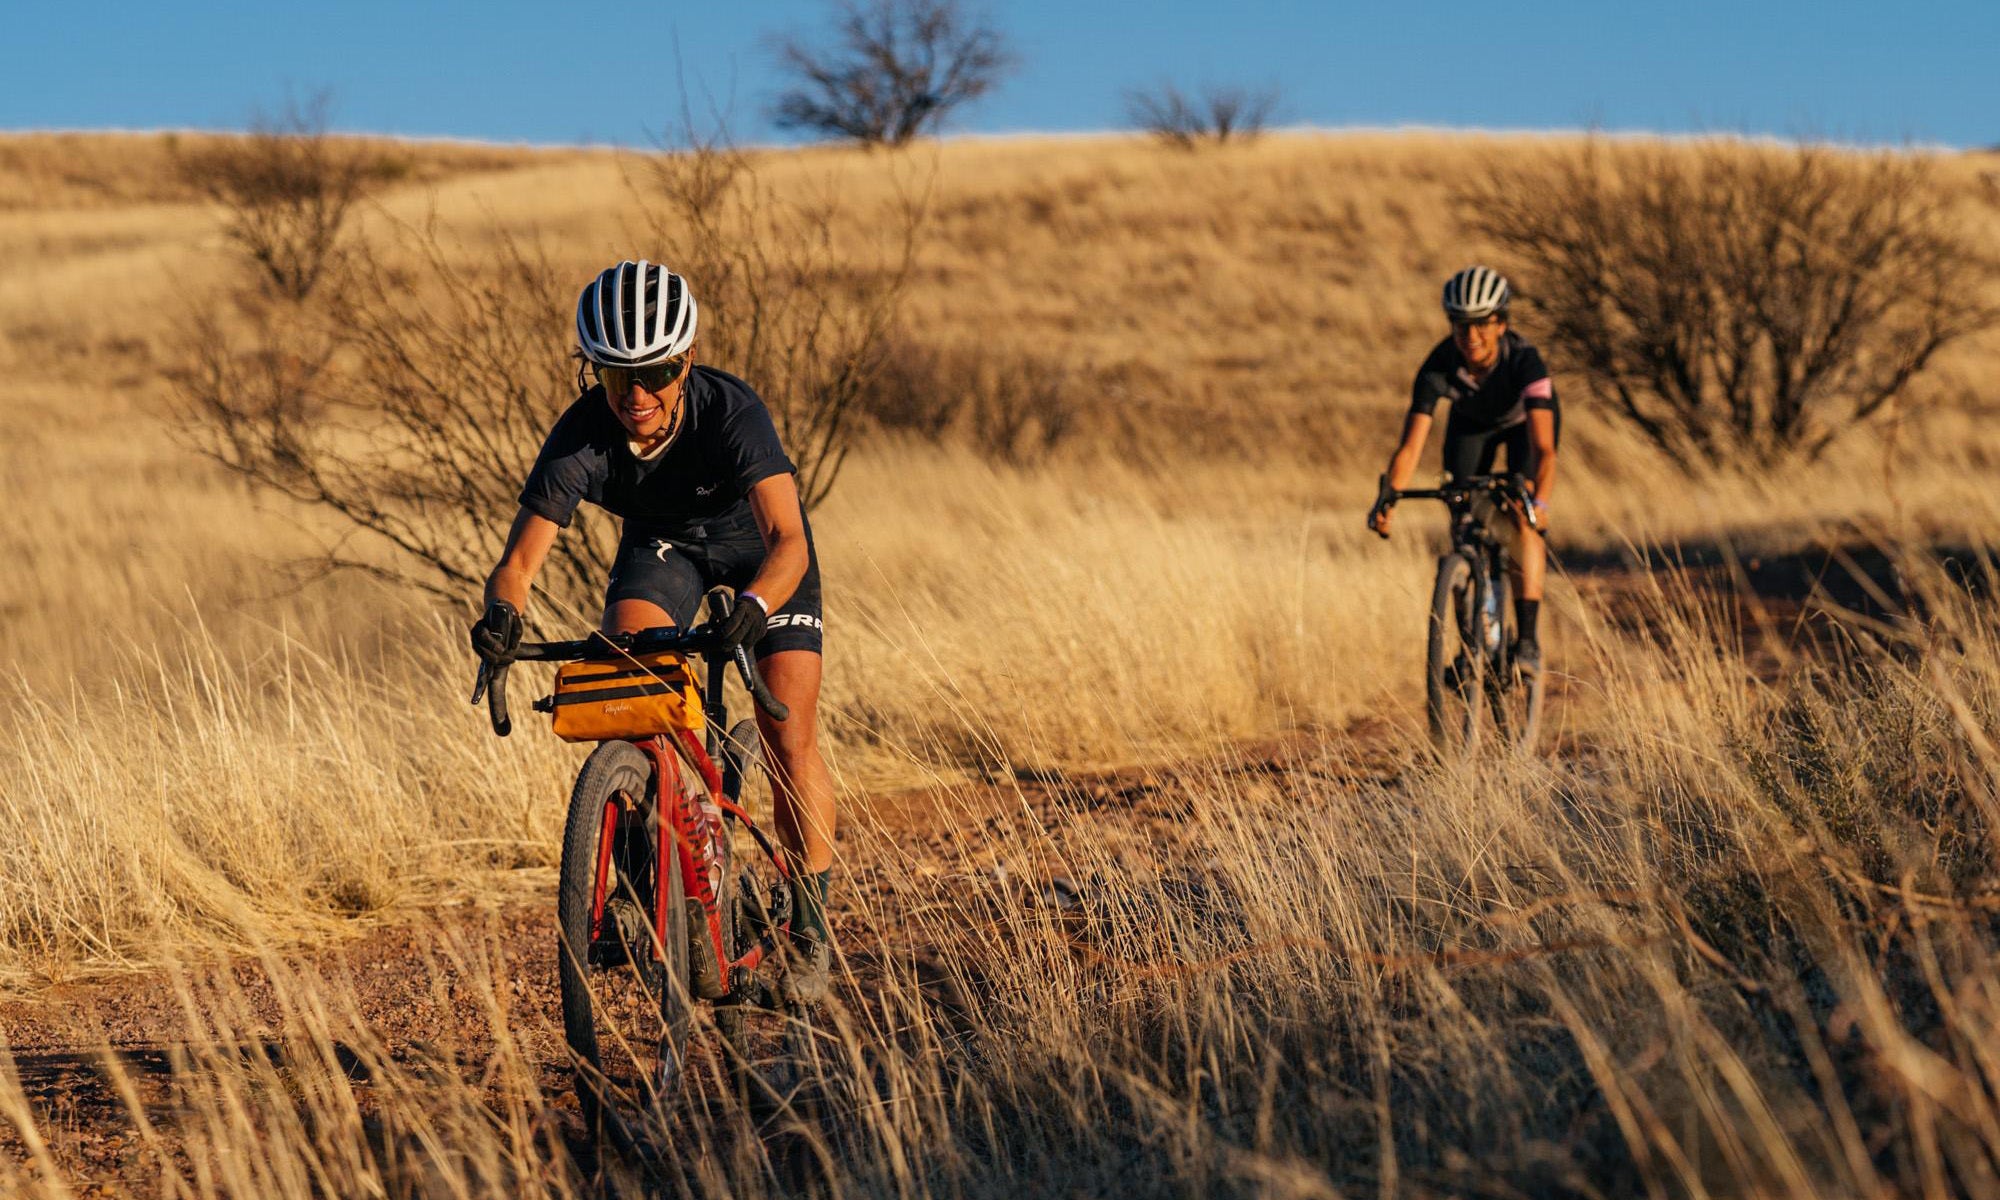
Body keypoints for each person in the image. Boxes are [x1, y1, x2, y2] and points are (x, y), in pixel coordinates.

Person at [468, 260, 836, 1003]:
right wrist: (503, 616)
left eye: (657, 372)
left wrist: (757, 608)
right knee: (628, 677)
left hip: (760, 552)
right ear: (592, 373)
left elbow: (789, 541)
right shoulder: (582, 436)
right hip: (663, 549)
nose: (637, 396)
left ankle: (809, 930)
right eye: (614, 377)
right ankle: (649, 866)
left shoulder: (731, 410)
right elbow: (518, 563)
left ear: (687, 359)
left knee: (786, 728)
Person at [1369, 266, 1558, 676]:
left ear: (1501, 323)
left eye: (1480, 325)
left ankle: (1526, 642)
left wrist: (1538, 502)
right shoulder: (1438, 365)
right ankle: (1474, 643)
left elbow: (1545, 450)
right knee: (1462, 520)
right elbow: (1411, 445)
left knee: (1519, 518)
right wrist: (1390, 498)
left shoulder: (1526, 362)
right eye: (1459, 325)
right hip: (1471, 427)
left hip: (1522, 428)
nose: (1470, 336)